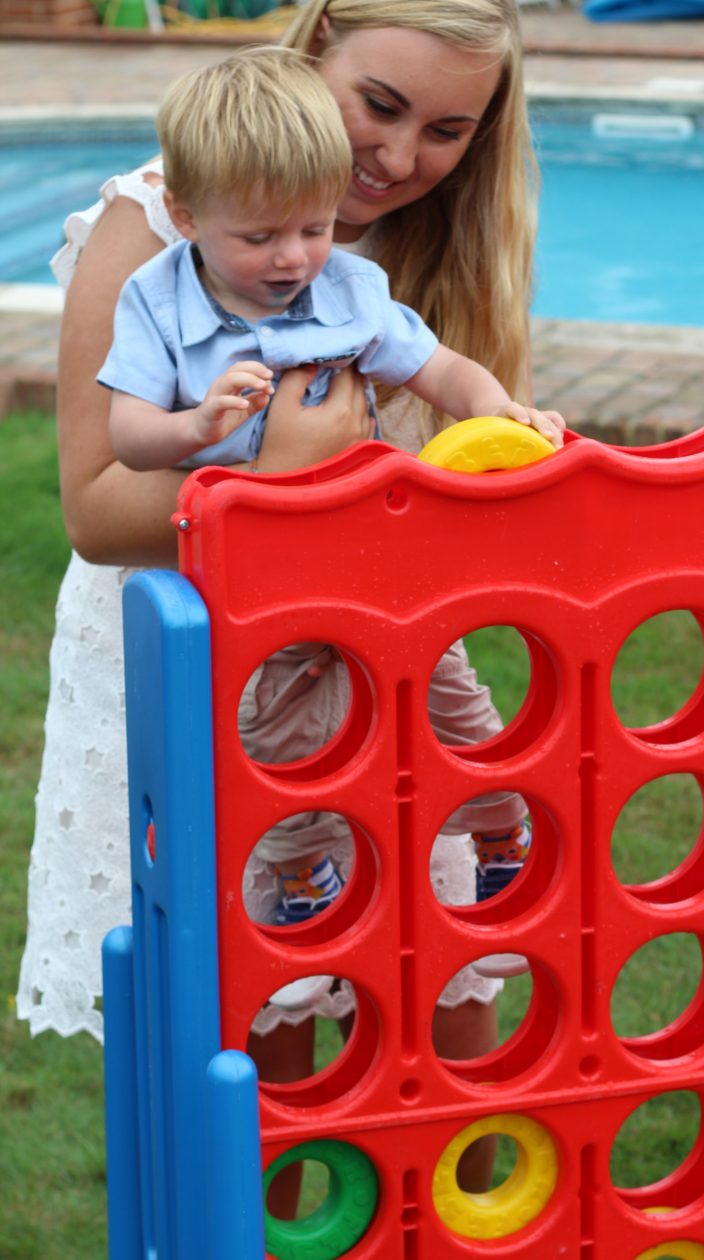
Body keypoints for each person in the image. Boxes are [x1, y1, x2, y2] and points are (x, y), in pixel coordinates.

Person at [17, 0, 542, 1198]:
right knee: (258, 1013)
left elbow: (444, 410)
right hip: (199, 660)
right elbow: (98, 511)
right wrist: (276, 485)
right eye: (380, 106)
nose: (401, 160)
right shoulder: (154, 228)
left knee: (445, 962)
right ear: (307, 60)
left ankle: (464, 1215)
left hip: (370, 646)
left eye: (449, 129)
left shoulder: (376, 252)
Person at [102, 47, 557, 965]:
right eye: (261, 237)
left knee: (452, 696)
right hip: (264, 587)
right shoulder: (154, 301)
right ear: (187, 217)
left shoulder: (344, 285)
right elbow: (127, 435)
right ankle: (306, 878)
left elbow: (433, 366)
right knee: (285, 743)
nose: (292, 258)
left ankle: (499, 829)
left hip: (384, 565)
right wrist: (197, 427)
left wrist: (491, 406)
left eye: (312, 229)